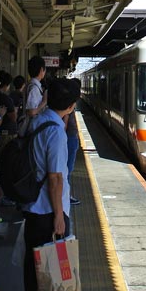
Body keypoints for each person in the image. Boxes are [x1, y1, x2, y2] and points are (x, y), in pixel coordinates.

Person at [19, 78, 78, 291]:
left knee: (34, 262)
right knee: (44, 262)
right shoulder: (55, 132)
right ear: (72, 105)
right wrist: (58, 215)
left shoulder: (39, 121)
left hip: (34, 205)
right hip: (45, 208)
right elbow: (55, 178)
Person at [64, 78, 82, 206]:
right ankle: (66, 195)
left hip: (70, 138)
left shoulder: (67, 104)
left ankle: (66, 194)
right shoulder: (68, 106)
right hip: (69, 138)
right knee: (67, 169)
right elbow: (64, 123)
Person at [21, 56, 48, 136]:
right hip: (32, 129)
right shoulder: (34, 88)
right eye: (44, 69)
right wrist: (44, 102)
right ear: (41, 70)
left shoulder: (31, 85)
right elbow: (31, 112)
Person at [0, 70, 18, 144]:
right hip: (7, 133)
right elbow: (13, 117)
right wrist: (15, 111)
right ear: (6, 85)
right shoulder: (6, 99)